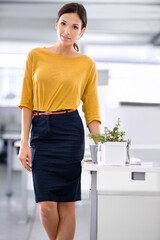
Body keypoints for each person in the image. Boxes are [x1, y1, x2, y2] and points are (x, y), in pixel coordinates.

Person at [18, 2, 101, 240]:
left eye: (74, 26)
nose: (67, 30)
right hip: (41, 133)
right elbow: (27, 102)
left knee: (66, 205)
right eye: (63, 24)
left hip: (69, 132)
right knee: (45, 207)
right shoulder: (36, 56)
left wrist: (101, 143)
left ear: (81, 31)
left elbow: (92, 108)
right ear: (56, 24)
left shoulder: (87, 64)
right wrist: (24, 143)